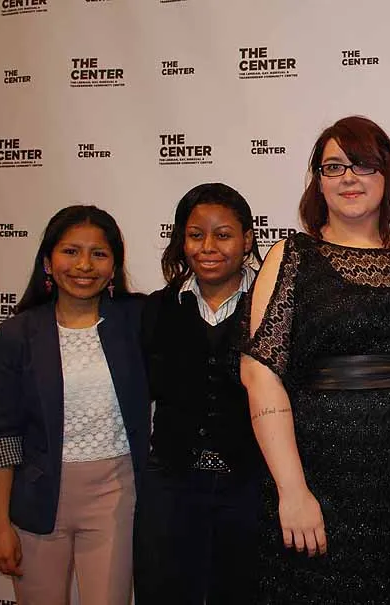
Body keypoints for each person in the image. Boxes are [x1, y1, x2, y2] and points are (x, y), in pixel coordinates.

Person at [241, 116, 390, 604]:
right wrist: (293, 491)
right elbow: (261, 374)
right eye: (334, 167)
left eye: (363, 165)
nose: (348, 178)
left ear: (388, 174)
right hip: (319, 480)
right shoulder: (292, 256)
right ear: (318, 180)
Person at [0, 205, 149, 604]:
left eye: (99, 254)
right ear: (47, 261)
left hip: (117, 498)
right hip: (37, 499)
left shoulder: (138, 321)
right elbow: (1, 434)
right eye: (71, 251)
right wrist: (0, 525)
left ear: (114, 266)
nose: (84, 265)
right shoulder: (17, 334)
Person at [133, 183, 266, 604]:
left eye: (223, 235)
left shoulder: (275, 306)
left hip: (251, 485)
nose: (208, 247)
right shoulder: (156, 309)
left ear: (247, 240)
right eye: (195, 235)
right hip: (171, 485)